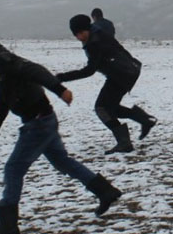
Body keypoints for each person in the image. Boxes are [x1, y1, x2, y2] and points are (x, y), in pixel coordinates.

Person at [0, 29, 122, 234]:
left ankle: (7, 225)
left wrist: (60, 90)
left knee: (13, 169)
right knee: (62, 161)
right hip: (44, 120)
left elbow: (37, 71)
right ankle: (105, 191)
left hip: (37, 124)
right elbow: (4, 96)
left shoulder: (7, 62)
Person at [56, 15, 156, 154]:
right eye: (76, 34)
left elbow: (89, 71)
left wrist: (61, 77)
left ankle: (124, 143)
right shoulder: (97, 33)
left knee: (102, 108)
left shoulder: (95, 43)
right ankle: (144, 120)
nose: (79, 37)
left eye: (80, 33)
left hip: (122, 74)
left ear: (87, 29)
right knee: (110, 108)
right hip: (127, 71)